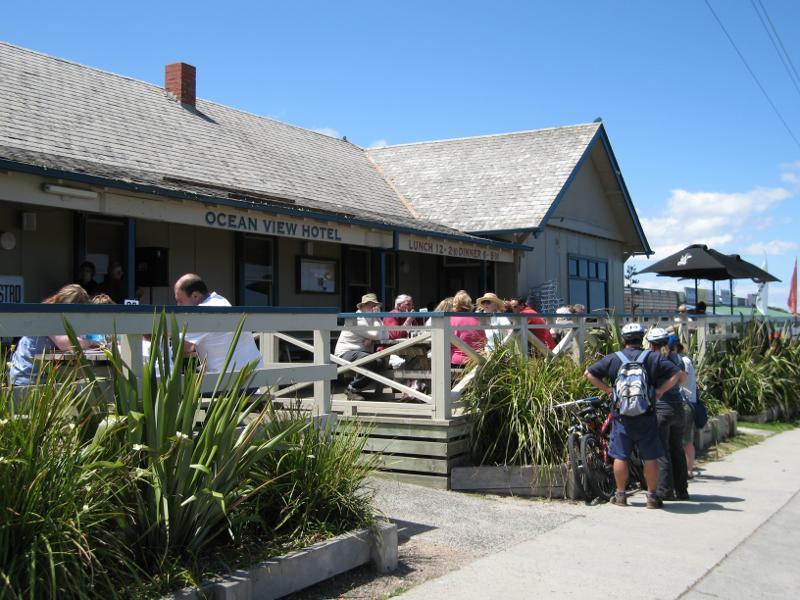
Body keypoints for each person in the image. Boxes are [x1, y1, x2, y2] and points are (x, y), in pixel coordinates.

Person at [584, 322, 683, 508]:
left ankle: (621, 495)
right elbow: (677, 374)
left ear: (623, 340)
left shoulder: (614, 358)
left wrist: (608, 390)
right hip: (646, 414)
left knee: (620, 456)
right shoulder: (653, 357)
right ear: (642, 338)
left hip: (621, 416)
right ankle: (652, 497)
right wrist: (661, 390)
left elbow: (588, 373)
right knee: (650, 456)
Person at [8, 284, 100, 385]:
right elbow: (65, 343)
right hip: (26, 378)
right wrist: (90, 342)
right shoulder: (48, 316)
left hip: (43, 377)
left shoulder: (58, 316)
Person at [173, 274, 263, 376]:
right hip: (253, 377)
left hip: (229, 383)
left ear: (195, 296)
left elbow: (183, 347)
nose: (178, 306)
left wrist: (166, 334)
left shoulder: (202, 312)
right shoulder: (220, 301)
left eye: (180, 301)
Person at [647, 327, 690, 501]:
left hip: (662, 408)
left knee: (662, 451)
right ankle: (682, 489)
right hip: (678, 407)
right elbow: (684, 379)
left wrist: (660, 390)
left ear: (651, 344)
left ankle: (665, 491)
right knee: (677, 449)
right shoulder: (677, 358)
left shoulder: (654, 359)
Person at [334, 293, 388, 401]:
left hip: (361, 354)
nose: (374, 308)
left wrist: (372, 337)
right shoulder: (357, 319)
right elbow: (380, 335)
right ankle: (352, 389)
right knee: (371, 361)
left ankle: (355, 388)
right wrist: (377, 319)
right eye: (370, 305)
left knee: (381, 362)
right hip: (345, 354)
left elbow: (385, 335)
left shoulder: (370, 319)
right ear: (362, 306)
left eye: (375, 305)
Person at [674, 338, 698, 480]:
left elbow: (682, 380)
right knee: (685, 440)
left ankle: (688, 470)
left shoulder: (683, 362)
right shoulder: (682, 360)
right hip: (686, 402)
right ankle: (686, 469)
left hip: (685, 402)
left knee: (686, 440)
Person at [449, 290, 486, 366]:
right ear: (469, 305)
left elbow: (444, 342)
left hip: (457, 361)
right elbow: (484, 341)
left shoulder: (450, 320)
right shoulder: (478, 319)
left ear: (455, 305)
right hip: (477, 361)